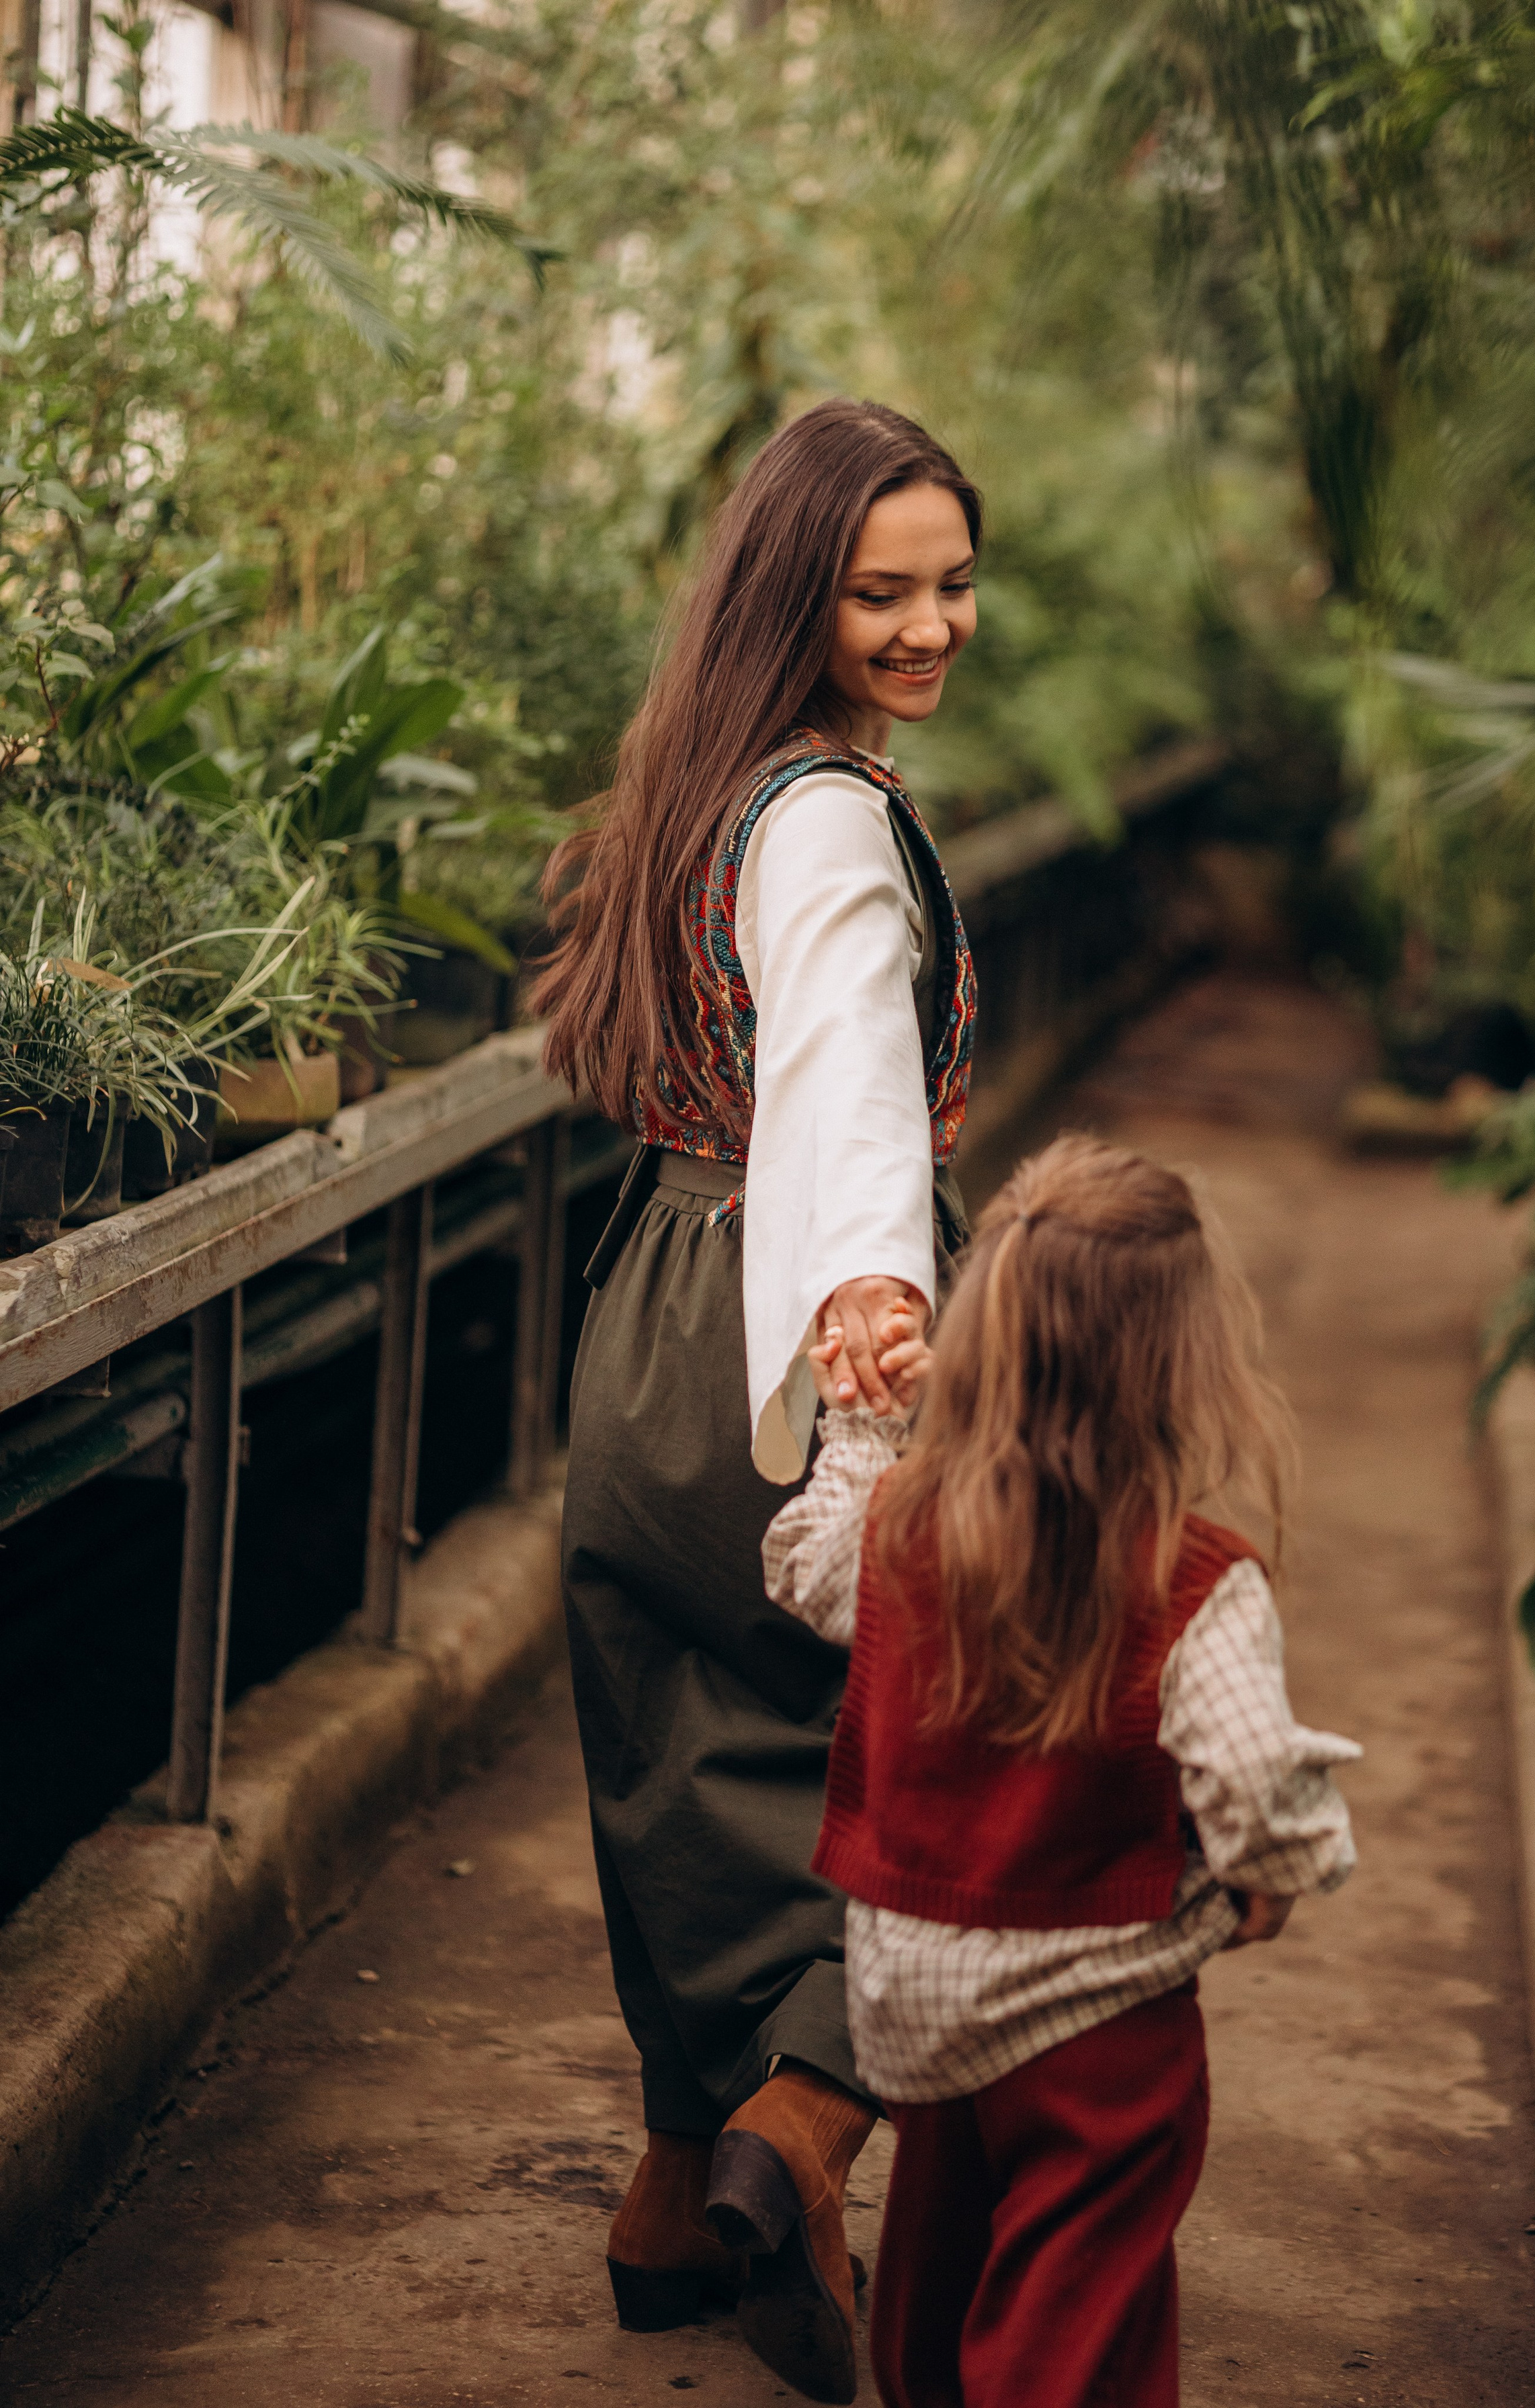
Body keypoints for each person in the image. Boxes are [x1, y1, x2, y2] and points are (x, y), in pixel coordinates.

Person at [532, 397, 982, 2404]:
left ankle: (665, 2204)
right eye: (881, 592)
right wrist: (876, 1303)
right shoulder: (829, 826)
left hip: (652, 1301)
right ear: (796, 595)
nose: (928, 626)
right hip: (793, 1320)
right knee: (949, 1761)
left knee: (683, 1746)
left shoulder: (703, 786)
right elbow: (849, 1075)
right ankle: (798, 2136)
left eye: (951, 584)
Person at [756, 1133, 1361, 2408]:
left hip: (917, 2011)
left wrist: (865, 1425)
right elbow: (1254, 1778)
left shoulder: (907, 1527)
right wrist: (1269, 1873)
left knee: (934, 2293)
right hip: (1101, 2032)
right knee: (1075, 2332)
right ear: (1185, 1365)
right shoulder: (1194, 1580)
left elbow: (807, 1567)